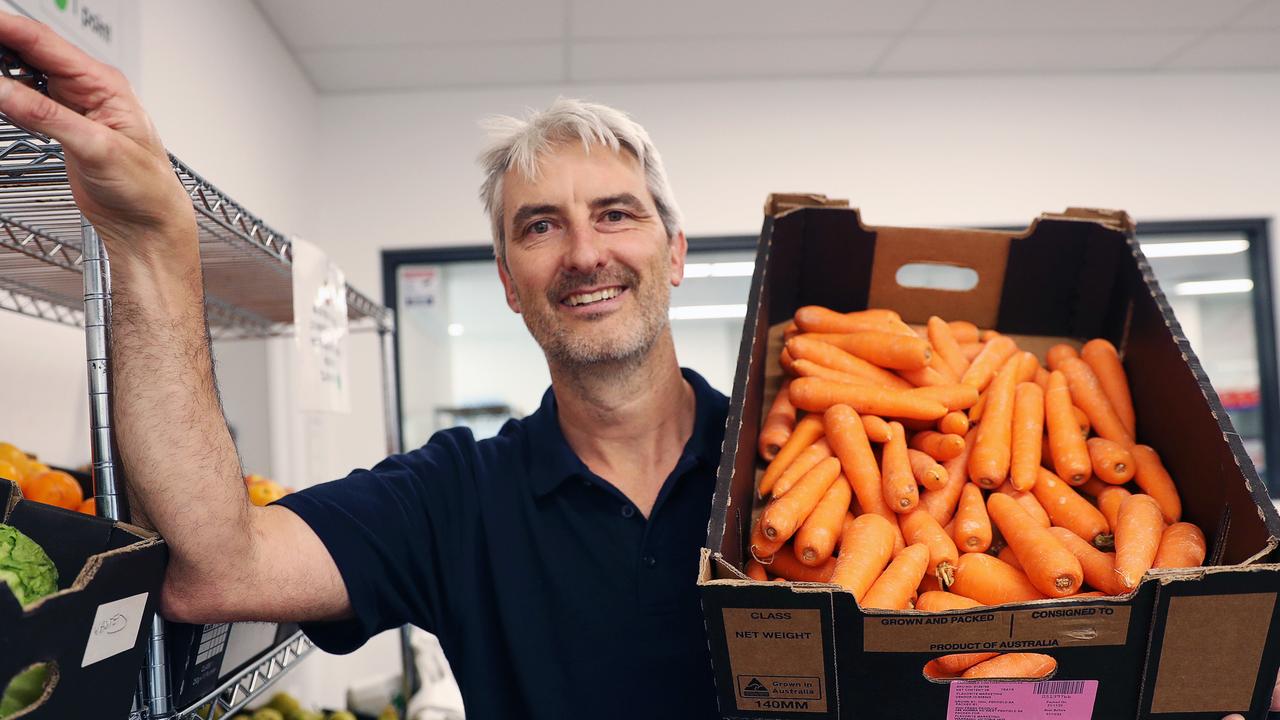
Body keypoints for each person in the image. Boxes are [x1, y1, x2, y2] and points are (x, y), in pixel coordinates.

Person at [0, 13, 1276, 720]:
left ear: (672, 254)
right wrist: (150, 242)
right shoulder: (456, 498)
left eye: (613, 216)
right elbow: (216, 569)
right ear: (506, 279)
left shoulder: (787, 466)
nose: (581, 252)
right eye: (537, 226)